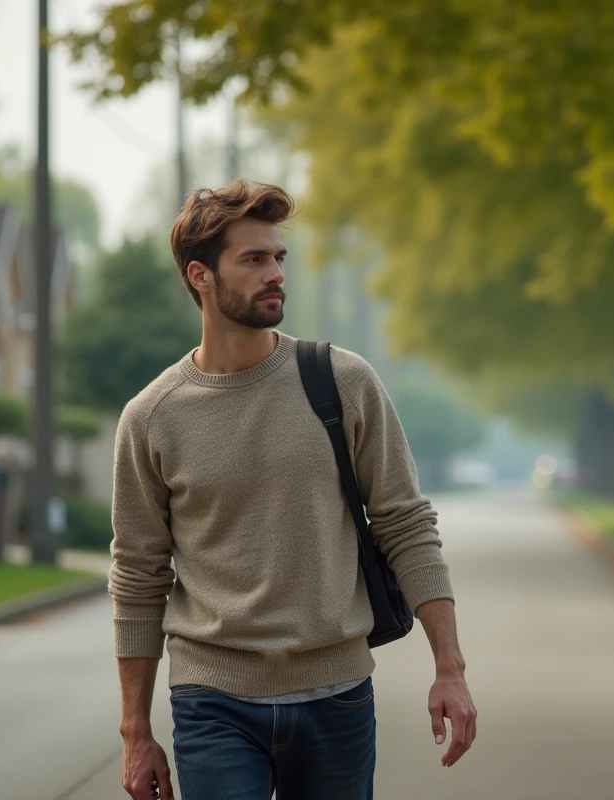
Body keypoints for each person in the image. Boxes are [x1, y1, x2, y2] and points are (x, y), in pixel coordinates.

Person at [110, 180, 477, 800]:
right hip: (212, 700)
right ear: (201, 276)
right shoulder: (152, 417)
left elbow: (406, 524)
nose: (275, 273)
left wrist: (451, 669)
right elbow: (139, 576)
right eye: (253, 260)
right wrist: (135, 732)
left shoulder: (342, 382)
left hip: (337, 697)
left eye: (279, 257)